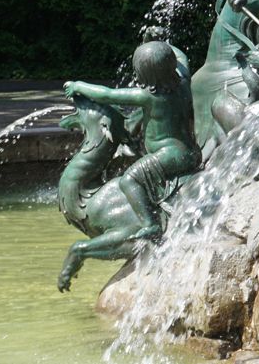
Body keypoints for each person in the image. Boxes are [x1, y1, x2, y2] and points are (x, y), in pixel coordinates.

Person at [63, 41, 200, 243]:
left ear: (143, 74)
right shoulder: (183, 84)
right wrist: (168, 45)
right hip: (190, 152)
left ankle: (150, 224)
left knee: (130, 180)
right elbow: (183, 60)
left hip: (169, 155)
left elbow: (107, 95)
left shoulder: (148, 96)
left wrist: (78, 86)